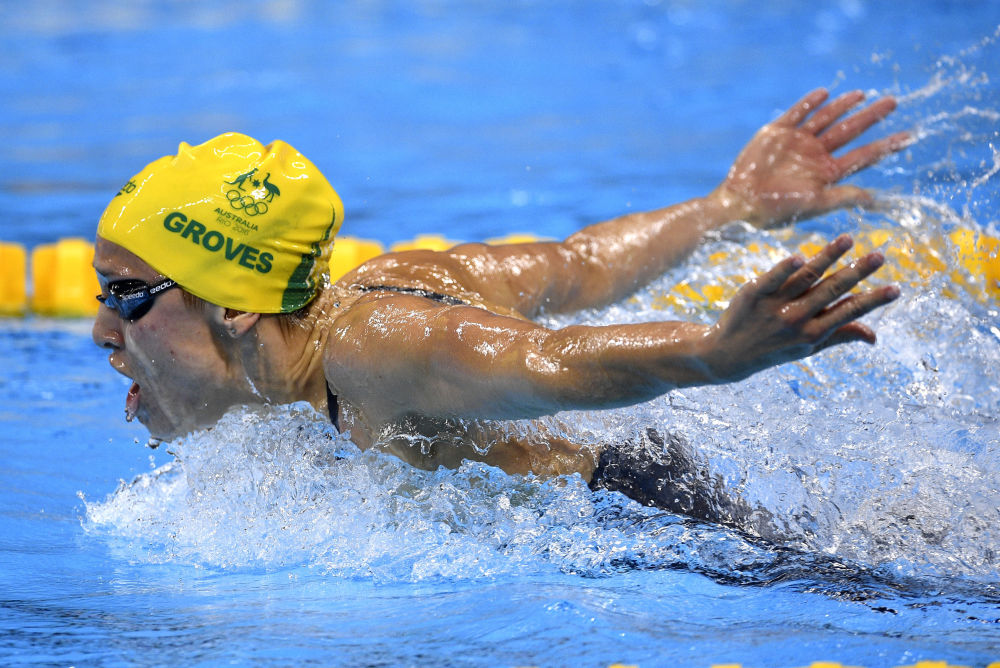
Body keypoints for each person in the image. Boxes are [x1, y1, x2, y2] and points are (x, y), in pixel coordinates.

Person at [92, 89, 908, 524]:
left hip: (646, 521)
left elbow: (553, 363)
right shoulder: (359, 307)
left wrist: (714, 354)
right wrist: (726, 206)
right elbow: (580, 263)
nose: (100, 332)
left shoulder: (376, 346)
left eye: (129, 300)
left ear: (235, 306)